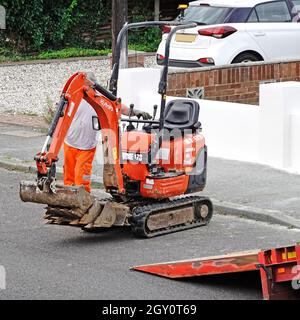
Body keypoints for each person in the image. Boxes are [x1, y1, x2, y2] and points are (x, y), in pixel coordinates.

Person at [63, 72, 151, 193]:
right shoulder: (74, 95)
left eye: (89, 85)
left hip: (86, 146)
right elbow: (61, 112)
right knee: (68, 178)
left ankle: (83, 200)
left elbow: (117, 107)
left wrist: (135, 112)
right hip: (69, 142)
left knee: (81, 177)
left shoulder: (99, 99)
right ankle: (66, 198)